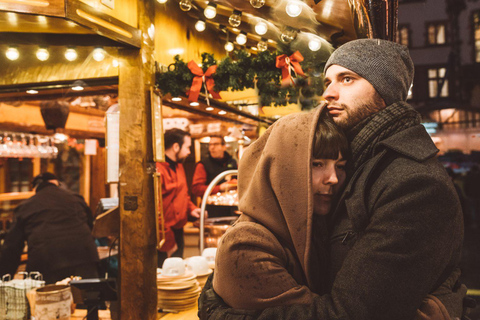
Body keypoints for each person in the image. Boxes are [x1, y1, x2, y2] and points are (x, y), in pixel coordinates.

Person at [199, 39, 467, 319]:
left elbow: (351, 314)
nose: (329, 92)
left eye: (347, 79)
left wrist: (222, 314)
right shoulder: (363, 161)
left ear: (385, 90)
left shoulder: (412, 182)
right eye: (328, 81)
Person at [212, 107, 348, 307]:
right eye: (317, 164)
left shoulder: (317, 228)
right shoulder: (245, 244)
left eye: (340, 166)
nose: (333, 178)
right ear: (280, 170)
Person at [0, 172, 99, 284]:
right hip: (84, 258)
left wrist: (3, 278)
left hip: (46, 262)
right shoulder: (76, 199)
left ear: (35, 187)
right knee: (88, 298)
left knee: (45, 300)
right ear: (57, 184)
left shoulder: (26, 206)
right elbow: (92, 228)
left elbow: (11, 248)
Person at [157, 128, 202, 266]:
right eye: (187, 147)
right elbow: (156, 208)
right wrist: (168, 243)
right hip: (165, 235)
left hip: (178, 231)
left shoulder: (179, 167)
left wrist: (191, 209)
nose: (189, 152)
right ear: (176, 147)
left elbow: (184, 195)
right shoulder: (158, 169)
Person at [192, 135, 238, 217]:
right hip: (211, 211)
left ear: (224, 147)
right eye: (210, 145)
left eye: (216, 144)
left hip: (232, 209)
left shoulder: (233, 162)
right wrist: (220, 187)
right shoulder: (203, 164)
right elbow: (196, 189)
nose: (212, 148)